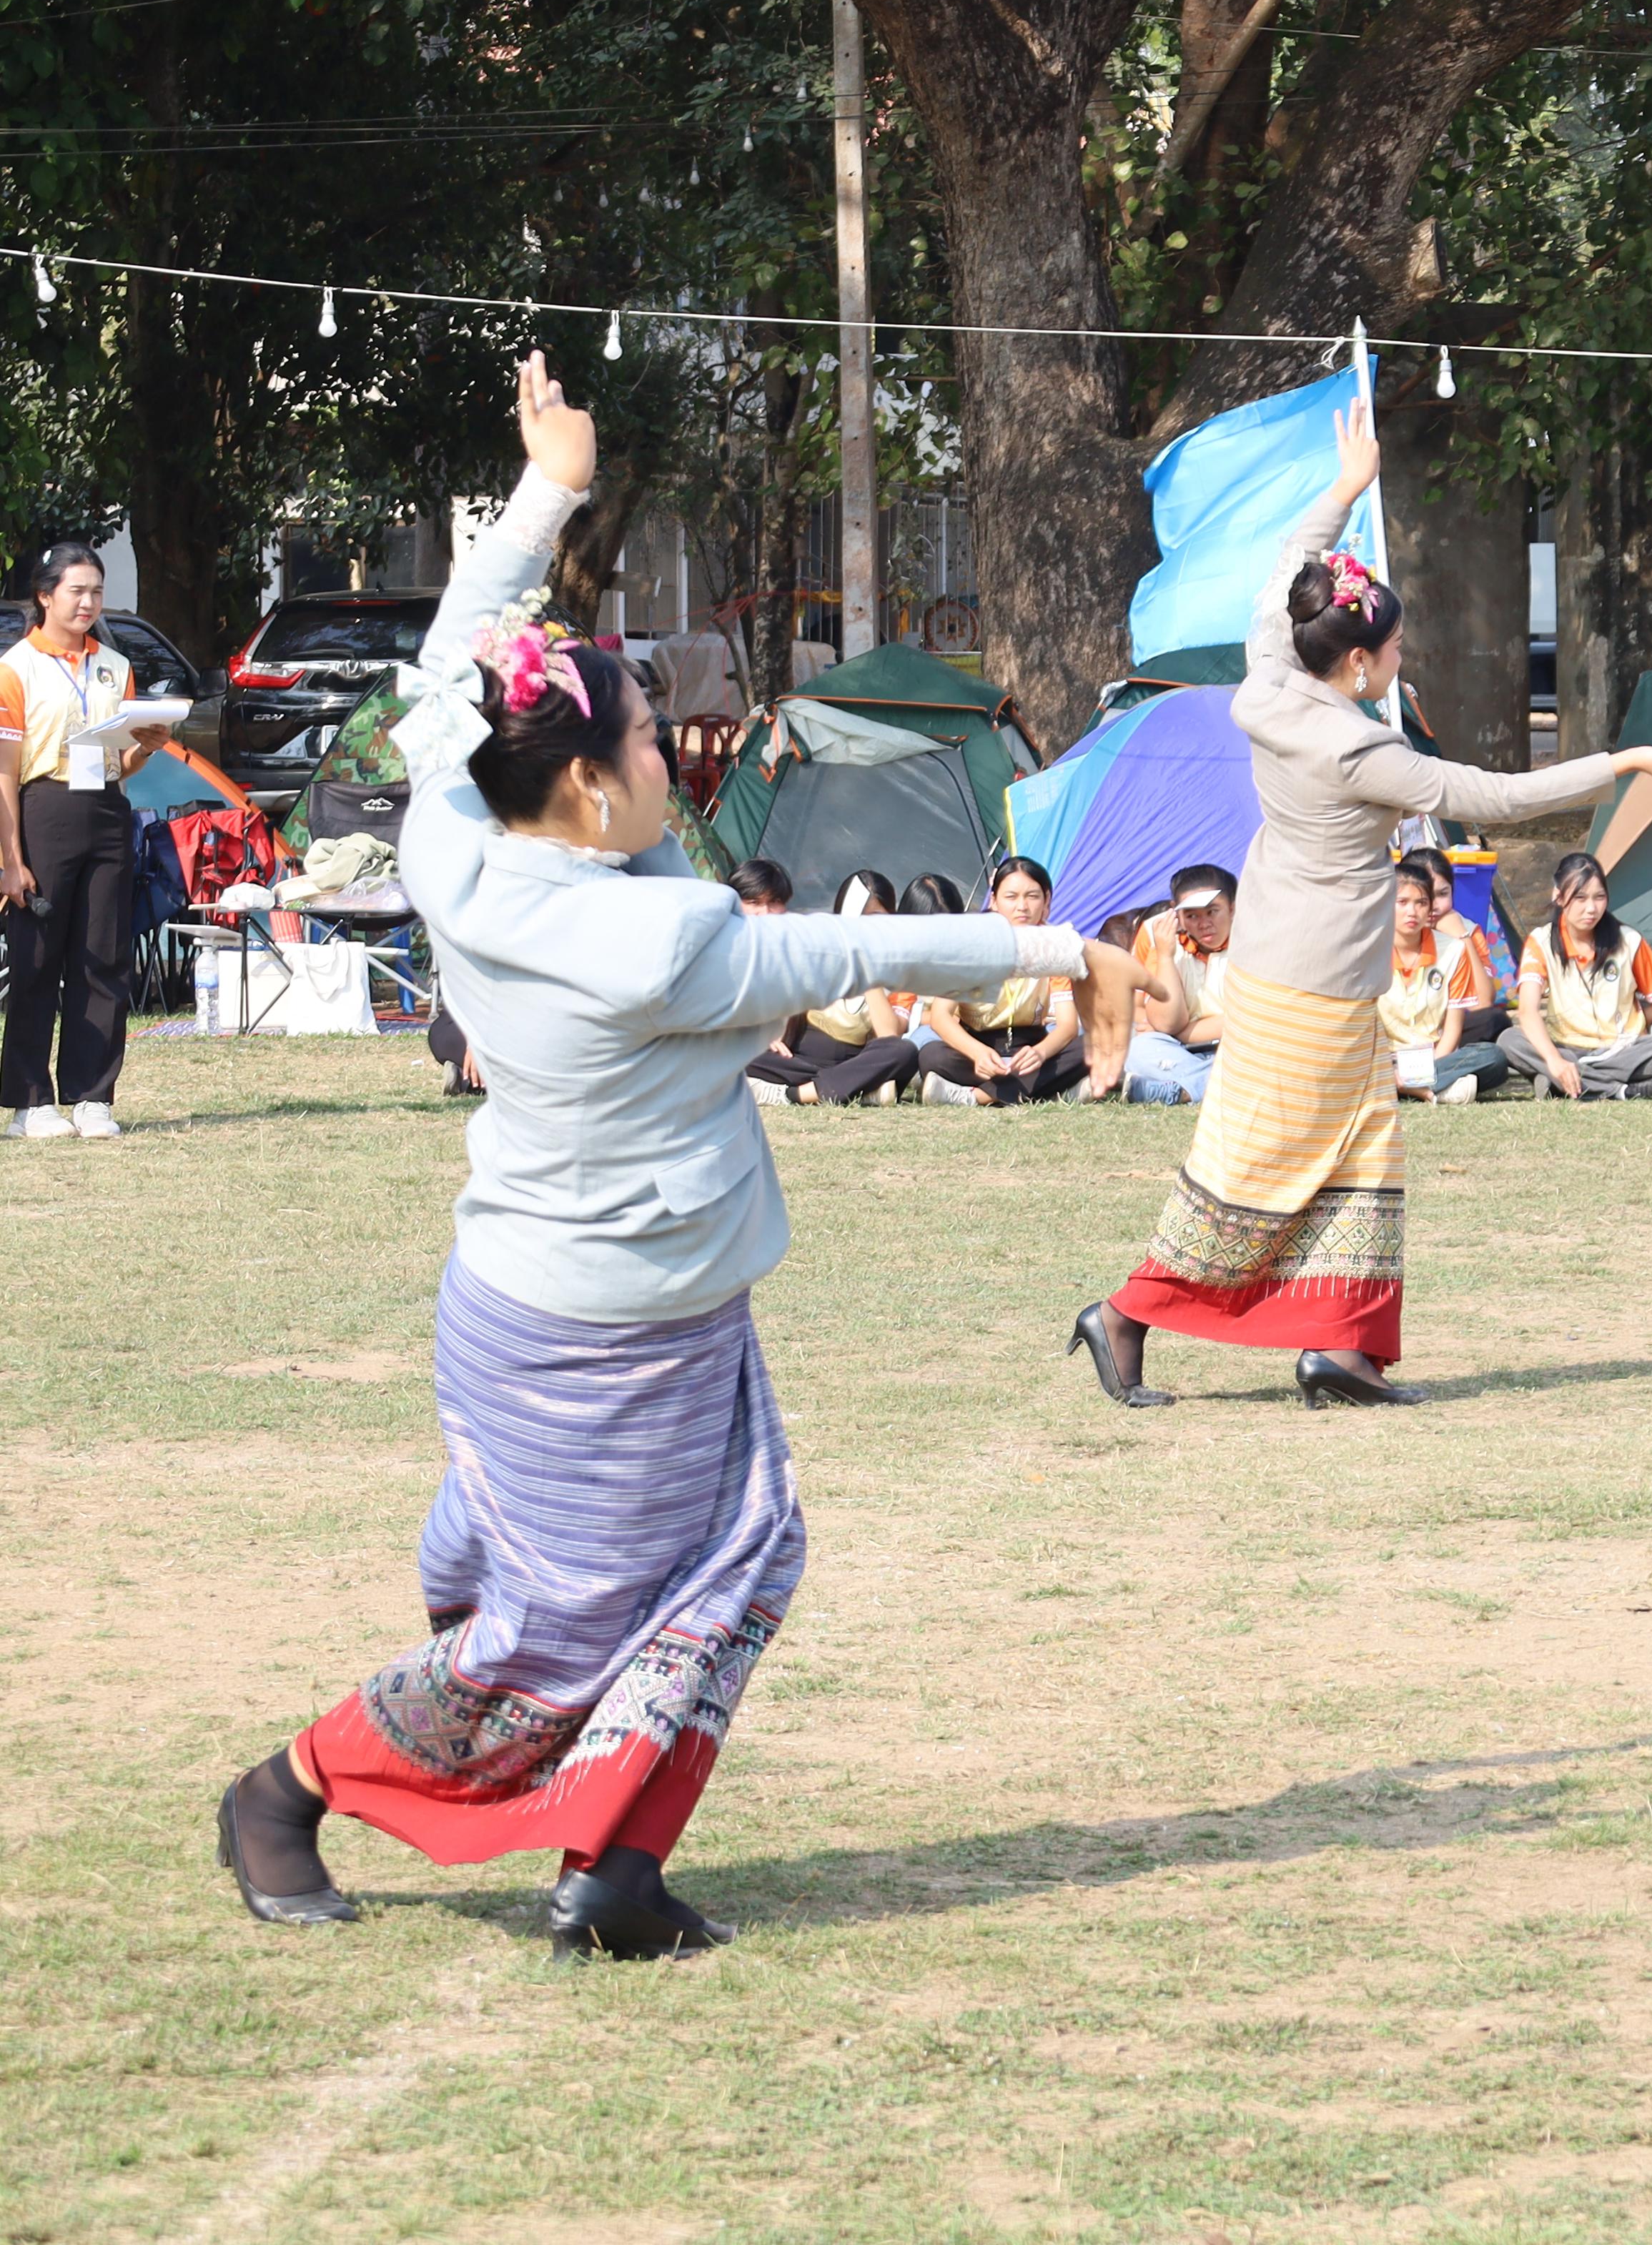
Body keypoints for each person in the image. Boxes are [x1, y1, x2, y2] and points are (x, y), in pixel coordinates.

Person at [212, 354, 1109, 1960]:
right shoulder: (661, 938)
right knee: (556, 1640)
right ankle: (288, 1788)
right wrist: (1083, 960)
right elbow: (841, 967)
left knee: (736, 1571)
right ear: (584, 782)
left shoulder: (457, 823)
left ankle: (615, 1870)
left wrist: (550, 486)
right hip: (593, 1332)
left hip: (610, 1306)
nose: (666, 752)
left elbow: (451, 662)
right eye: (646, 738)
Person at [1070, 391, 1652, 1414]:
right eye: (1395, 651)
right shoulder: (1362, 749)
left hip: (1295, 959)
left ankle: (1343, 1349)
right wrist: (1618, 762)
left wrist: (1347, 487)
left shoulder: (1273, 669)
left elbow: (1286, 568)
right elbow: (1487, 795)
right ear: (1357, 662)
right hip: (1311, 979)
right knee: (1263, 1164)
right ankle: (1129, 1312)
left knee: (1366, 1152)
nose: (1403, 661)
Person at [0, 540, 173, 1136]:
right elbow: (4, 768)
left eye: (97, 591)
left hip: (106, 810)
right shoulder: (16, 667)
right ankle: (31, 1102)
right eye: (76, 590)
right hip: (43, 807)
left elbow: (116, 763)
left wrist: (144, 749)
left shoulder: (114, 666)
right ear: (45, 596)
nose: (89, 602)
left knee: (104, 957)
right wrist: (11, 860)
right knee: (37, 957)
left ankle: (93, 1096)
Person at [1504, 850, 1652, 1099]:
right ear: (1558, 897)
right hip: (1565, 1047)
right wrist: (1555, 1060)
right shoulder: (1541, 941)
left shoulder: (1628, 941)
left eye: (1599, 897)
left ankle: (1561, 1082)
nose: (1591, 908)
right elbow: (1527, 1010)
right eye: (1580, 898)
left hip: (1620, 1049)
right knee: (1509, 1040)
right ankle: (1620, 1090)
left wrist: (1633, 1022)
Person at [914, 856, 1095, 1104]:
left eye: (1032, 896)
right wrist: (976, 1052)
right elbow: (940, 1016)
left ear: (1047, 902)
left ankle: (976, 1096)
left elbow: (1067, 1026)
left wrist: (1041, 1053)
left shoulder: (1057, 946)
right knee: (932, 1055)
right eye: (1011, 897)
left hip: (1031, 1047)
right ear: (994, 901)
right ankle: (1051, 1090)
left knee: (1095, 1045)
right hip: (979, 1047)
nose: (1022, 906)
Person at [741, 875, 930, 1108]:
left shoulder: (899, 971)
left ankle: (793, 1095)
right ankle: (860, 1091)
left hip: (857, 1063)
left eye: (877, 919)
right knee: (740, 1051)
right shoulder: (816, 951)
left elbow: (889, 1036)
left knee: (904, 1052)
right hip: (798, 1061)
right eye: (859, 919)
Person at [1372, 851, 1510, 1102]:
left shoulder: (1455, 948)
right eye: (1402, 902)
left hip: (1435, 1055)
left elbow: (1459, 1024)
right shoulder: (1370, 948)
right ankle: (1423, 1085)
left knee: (1494, 1058)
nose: (1413, 912)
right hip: (1381, 1056)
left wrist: (1428, 1069)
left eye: (1422, 902)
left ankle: (1400, 1085)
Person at [1122, 873, 1236, 1101]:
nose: (1204, 924)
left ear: (1233, 908)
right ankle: (1209, 1083)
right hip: (1178, 1050)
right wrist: (1165, 956)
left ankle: (1179, 1091)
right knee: (1137, 1049)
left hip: (1237, 1045)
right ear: (1177, 913)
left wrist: (1180, 1033)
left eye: (1213, 912)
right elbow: (1164, 1022)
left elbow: (1245, 1019)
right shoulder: (1161, 936)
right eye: (1192, 915)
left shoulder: (1252, 941)